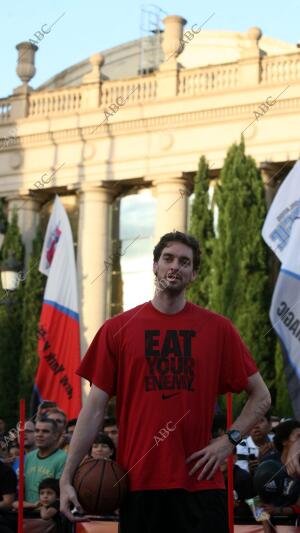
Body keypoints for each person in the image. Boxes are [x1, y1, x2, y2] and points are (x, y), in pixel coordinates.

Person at [60, 231, 271, 533]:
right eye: (168, 258)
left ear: (194, 274)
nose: (175, 266)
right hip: (138, 485)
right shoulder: (117, 330)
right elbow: (93, 410)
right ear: (155, 265)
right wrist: (67, 477)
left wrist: (229, 441)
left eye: (185, 262)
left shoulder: (218, 329)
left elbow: (261, 396)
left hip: (202, 484)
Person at [17, 418, 66, 507]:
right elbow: (21, 489)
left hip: (48, 515)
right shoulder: (29, 457)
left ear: (56, 435)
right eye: (37, 431)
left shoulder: (64, 458)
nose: (39, 435)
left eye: (45, 431)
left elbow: (60, 493)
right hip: (27, 511)